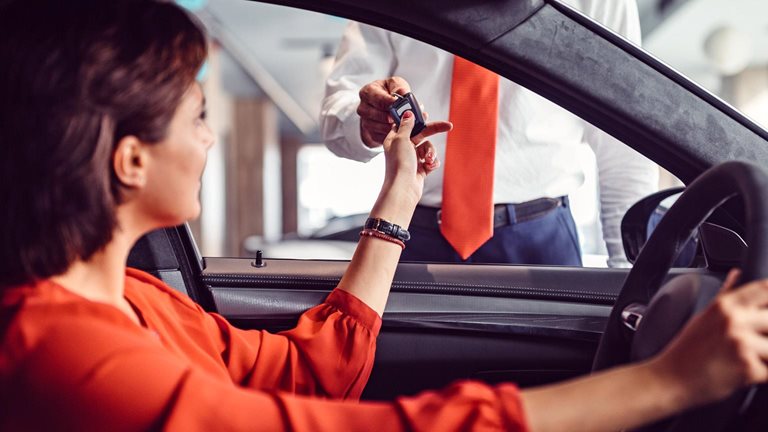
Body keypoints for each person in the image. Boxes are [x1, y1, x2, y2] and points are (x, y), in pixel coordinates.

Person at [2, 1, 768, 431]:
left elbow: (312, 369)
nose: (208, 135)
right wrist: (667, 382)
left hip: (543, 224)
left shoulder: (139, 304)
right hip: (447, 226)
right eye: (199, 114)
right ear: (129, 160)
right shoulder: (66, 354)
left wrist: (399, 189)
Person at [320, 0, 658, 267]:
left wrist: (630, 276)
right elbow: (337, 116)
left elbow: (623, 146)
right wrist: (366, 122)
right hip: (411, 234)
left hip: (540, 240)